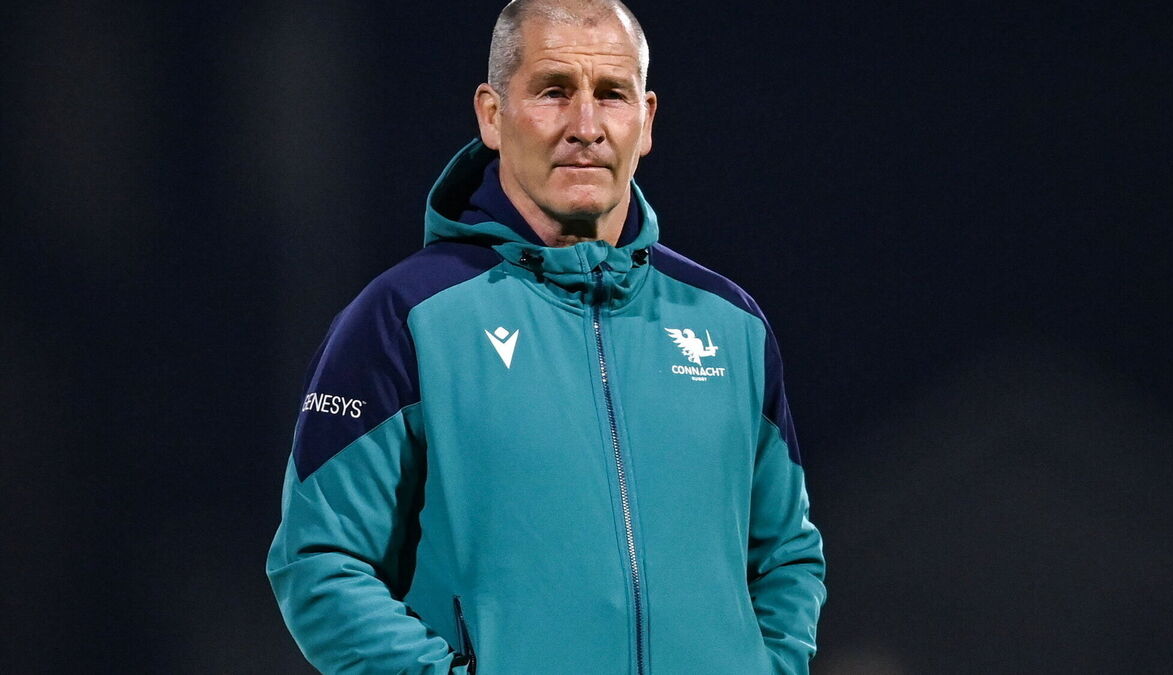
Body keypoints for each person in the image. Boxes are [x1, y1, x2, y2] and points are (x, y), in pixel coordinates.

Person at [266, 1, 825, 673]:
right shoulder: (404, 318)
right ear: (492, 115)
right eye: (554, 91)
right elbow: (320, 559)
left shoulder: (730, 324)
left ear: (645, 120)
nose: (585, 127)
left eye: (611, 94)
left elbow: (787, 553)